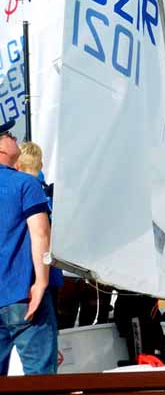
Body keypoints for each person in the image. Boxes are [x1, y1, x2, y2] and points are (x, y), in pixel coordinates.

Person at [0, 123, 57, 375]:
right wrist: (41, 282)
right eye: (8, 135)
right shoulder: (26, 184)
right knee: (42, 381)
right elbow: (41, 233)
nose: (14, 138)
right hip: (23, 296)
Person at [15, 142, 64, 319]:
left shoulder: (20, 188)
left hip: (23, 275)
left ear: (17, 164)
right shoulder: (49, 193)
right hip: (51, 271)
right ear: (41, 164)